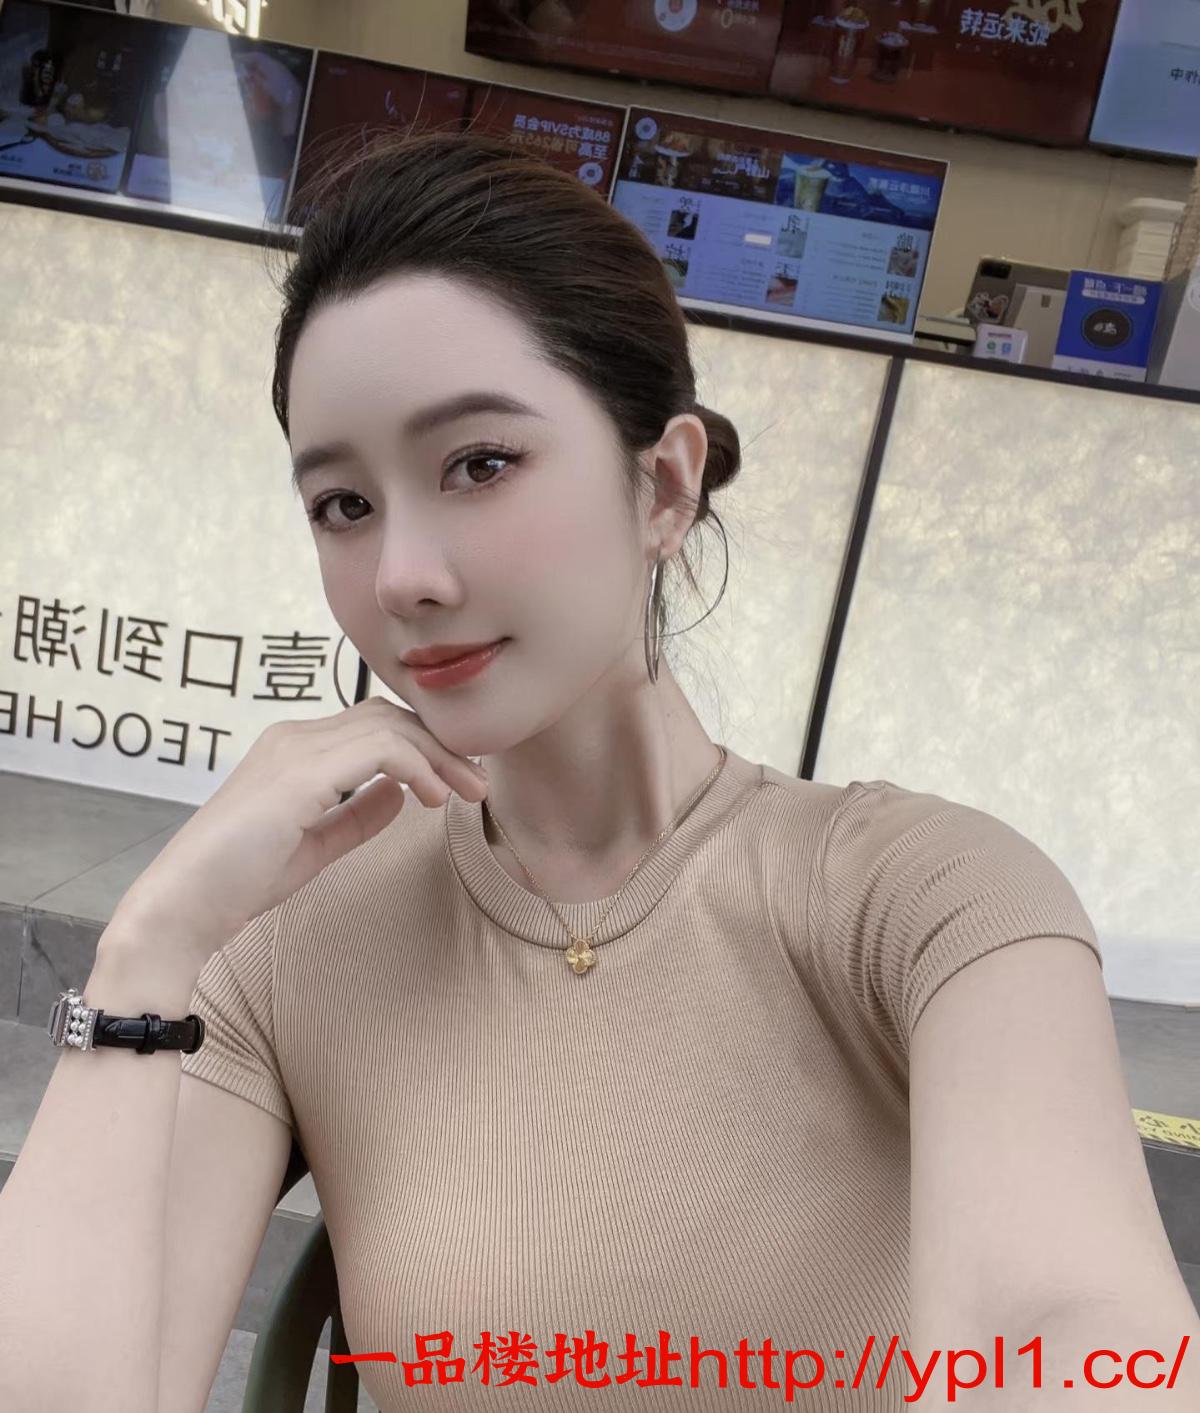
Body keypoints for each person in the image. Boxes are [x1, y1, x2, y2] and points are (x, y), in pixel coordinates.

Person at [1, 125, 1195, 1413]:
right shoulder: (293, 943)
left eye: (480, 464)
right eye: (343, 504)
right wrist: (150, 949)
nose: (402, 574)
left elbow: (1069, 1330)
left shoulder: (926, 898)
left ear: (665, 487)